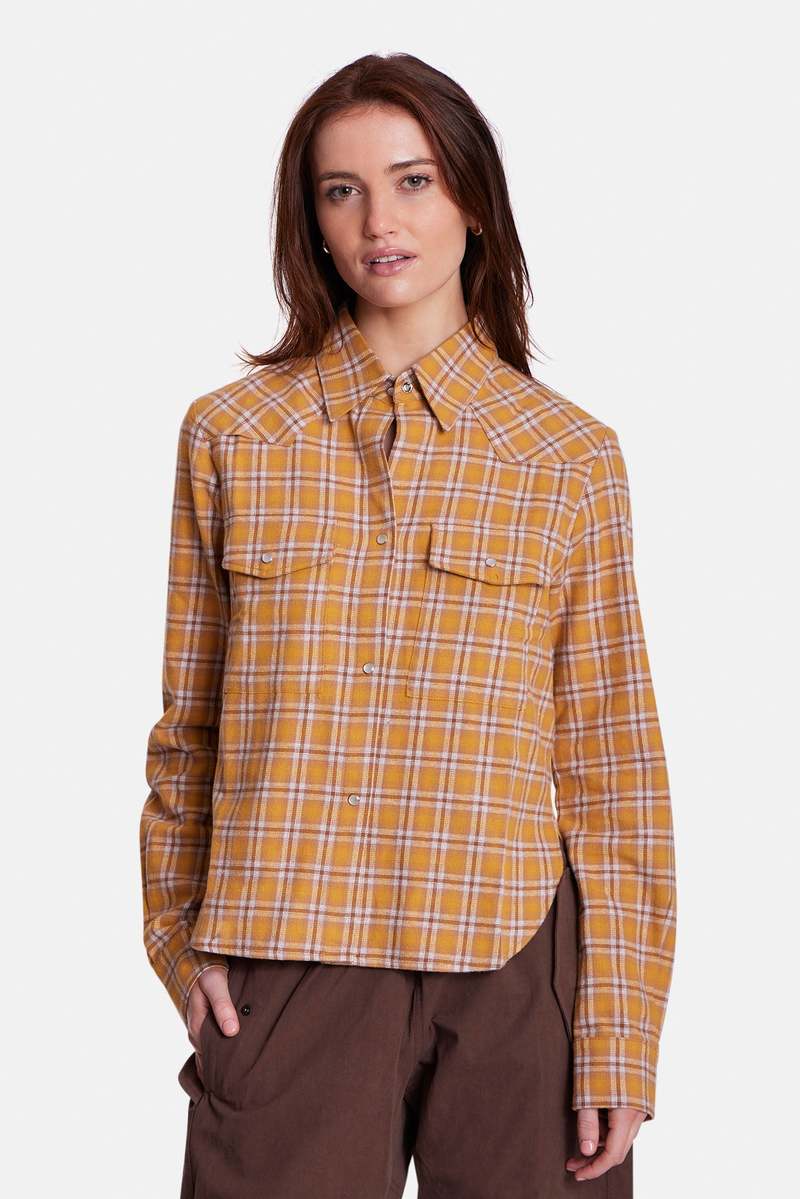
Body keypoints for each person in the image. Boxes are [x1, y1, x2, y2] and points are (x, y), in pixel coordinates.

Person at [139, 52, 677, 1199]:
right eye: (341, 190)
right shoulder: (232, 437)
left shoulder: (567, 457)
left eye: (412, 180)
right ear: (311, 221)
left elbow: (611, 763)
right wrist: (178, 940)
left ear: (472, 200)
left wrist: (620, 1032)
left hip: (514, 965)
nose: (378, 220)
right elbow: (189, 729)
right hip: (288, 949)